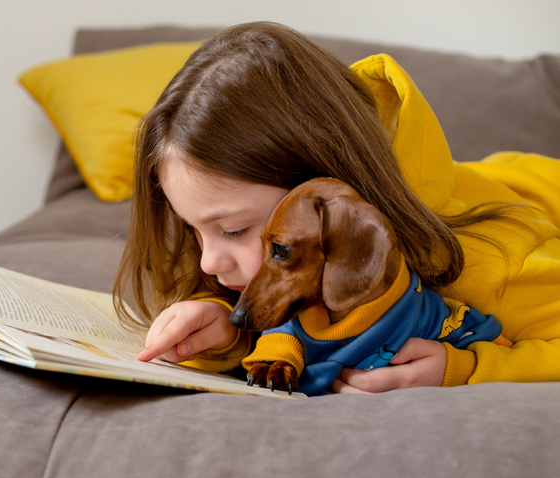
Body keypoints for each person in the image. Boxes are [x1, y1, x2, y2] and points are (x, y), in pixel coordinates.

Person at [112, 21, 560, 394]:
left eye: (232, 230)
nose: (209, 261)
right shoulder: (264, 238)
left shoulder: (496, 260)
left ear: (323, 188)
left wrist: (465, 367)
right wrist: (227, 330)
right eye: (194, 230)